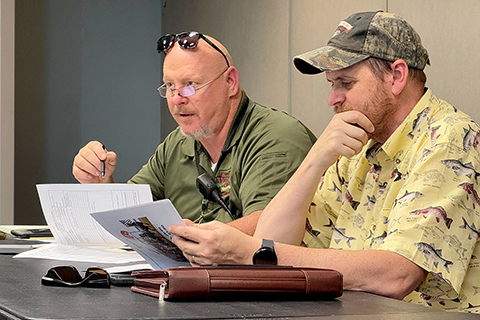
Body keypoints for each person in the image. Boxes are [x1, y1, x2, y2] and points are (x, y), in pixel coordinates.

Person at [169, 11, 480, 313]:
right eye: (332, 84)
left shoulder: (451, 138)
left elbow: (396, 275)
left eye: (345, 83)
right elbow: (275, 240)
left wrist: (247, 251)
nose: (333, 99)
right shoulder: (358, 146)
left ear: (396, 76)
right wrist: (315, 161)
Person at [72, 31, 316, 234]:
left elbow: (268, 228)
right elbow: (130, 214)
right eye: (169, 86)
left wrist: (190, 238)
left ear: (230, 82)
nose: (177, 100)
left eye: (190, 86)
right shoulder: (177, 143)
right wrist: (101, 182)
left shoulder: (276, 137)